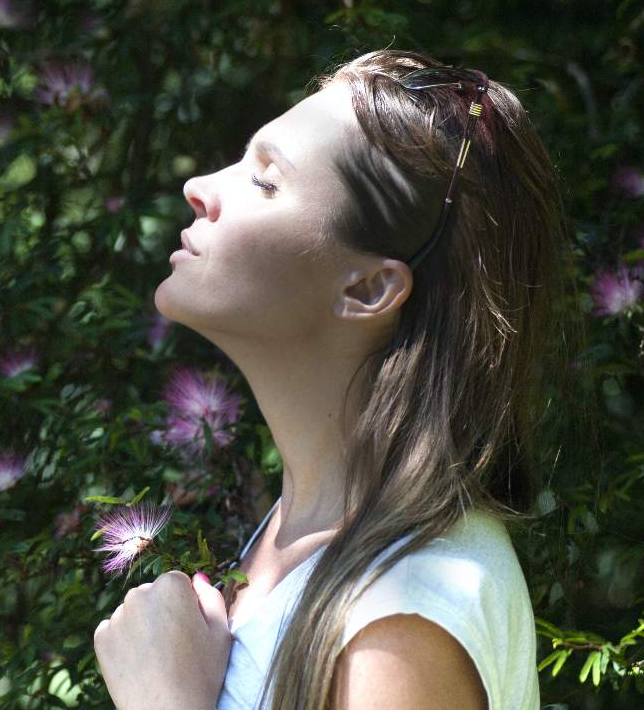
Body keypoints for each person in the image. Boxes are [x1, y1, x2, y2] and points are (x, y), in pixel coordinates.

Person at [93, 48, 577, 709]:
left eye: (266, 183)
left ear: (370, 287)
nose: (201, 187)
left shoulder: (403, 614)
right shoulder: (305, 536)